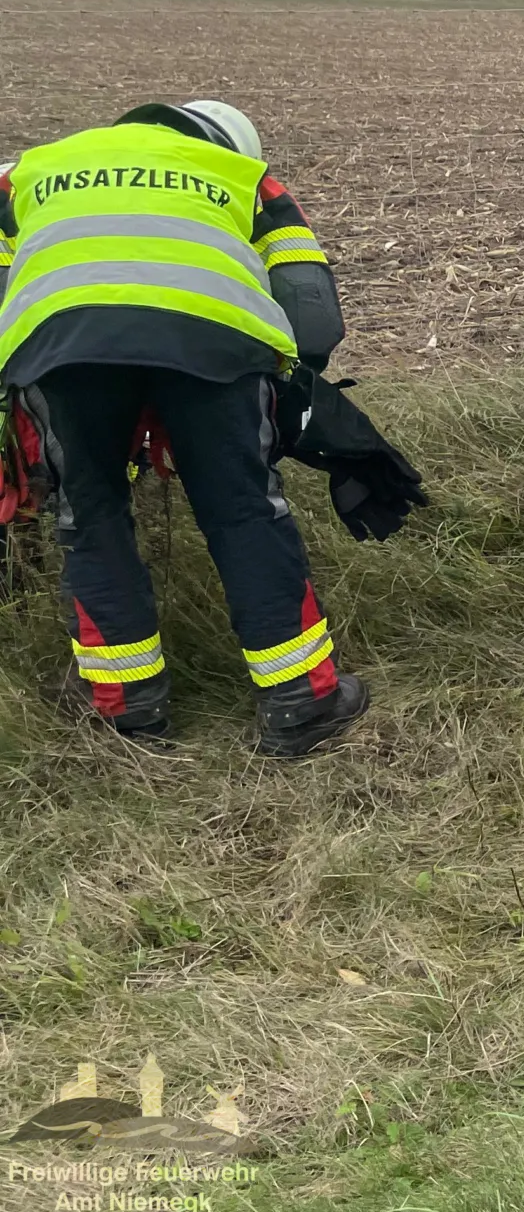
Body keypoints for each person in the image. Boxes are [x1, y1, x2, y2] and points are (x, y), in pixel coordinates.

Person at [0, 99, 369, 753]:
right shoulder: (246, 180)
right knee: (243, 512)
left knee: (91, 515)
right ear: (224, 144)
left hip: (60, 349)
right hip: (213, 349)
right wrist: (282, 400)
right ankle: (300, 705)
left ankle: (127, 713)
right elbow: (314, 322)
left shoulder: (27, 173)